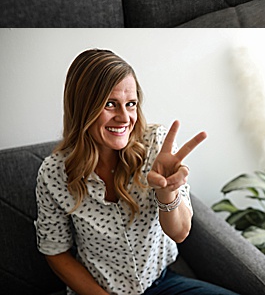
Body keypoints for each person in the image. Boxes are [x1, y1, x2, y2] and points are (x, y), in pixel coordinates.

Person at [35, 48, 239, 295]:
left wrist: (167, 193)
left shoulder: (156, 143)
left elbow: (180, 232)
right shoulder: (54, 173)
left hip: (161, 284)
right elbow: (55, 250)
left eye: (130, 104)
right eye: (110, 104)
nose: (124, 118)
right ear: (82, 107)